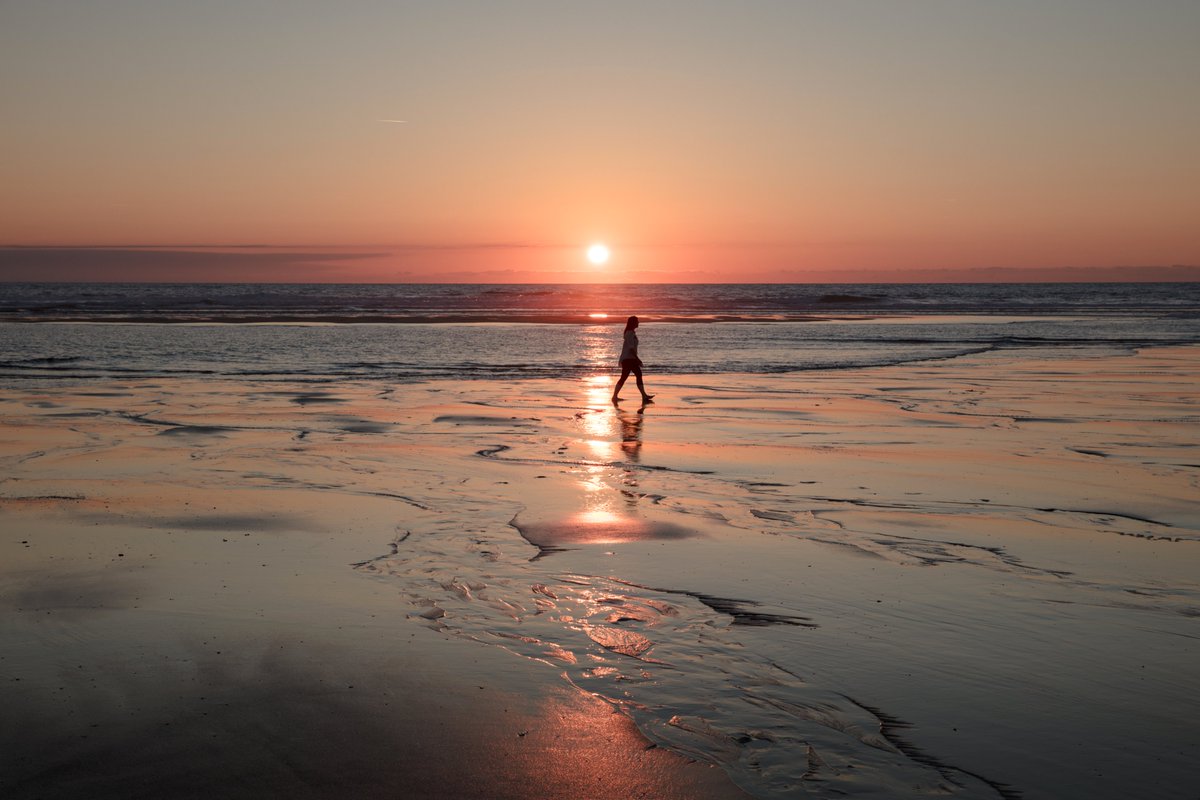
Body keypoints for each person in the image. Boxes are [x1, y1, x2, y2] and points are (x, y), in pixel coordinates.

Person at [612, 315, 654, 404]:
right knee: (629, 376)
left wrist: (636, 359)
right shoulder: (629, 333)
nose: (638, 322)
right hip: (628, 359)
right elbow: (631, 349)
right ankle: (643, 396)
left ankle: (643, 396)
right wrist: (638, 359)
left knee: (632, 375)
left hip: (630, 358)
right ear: (633, 323)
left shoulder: (631, 333)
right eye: (637, 321)